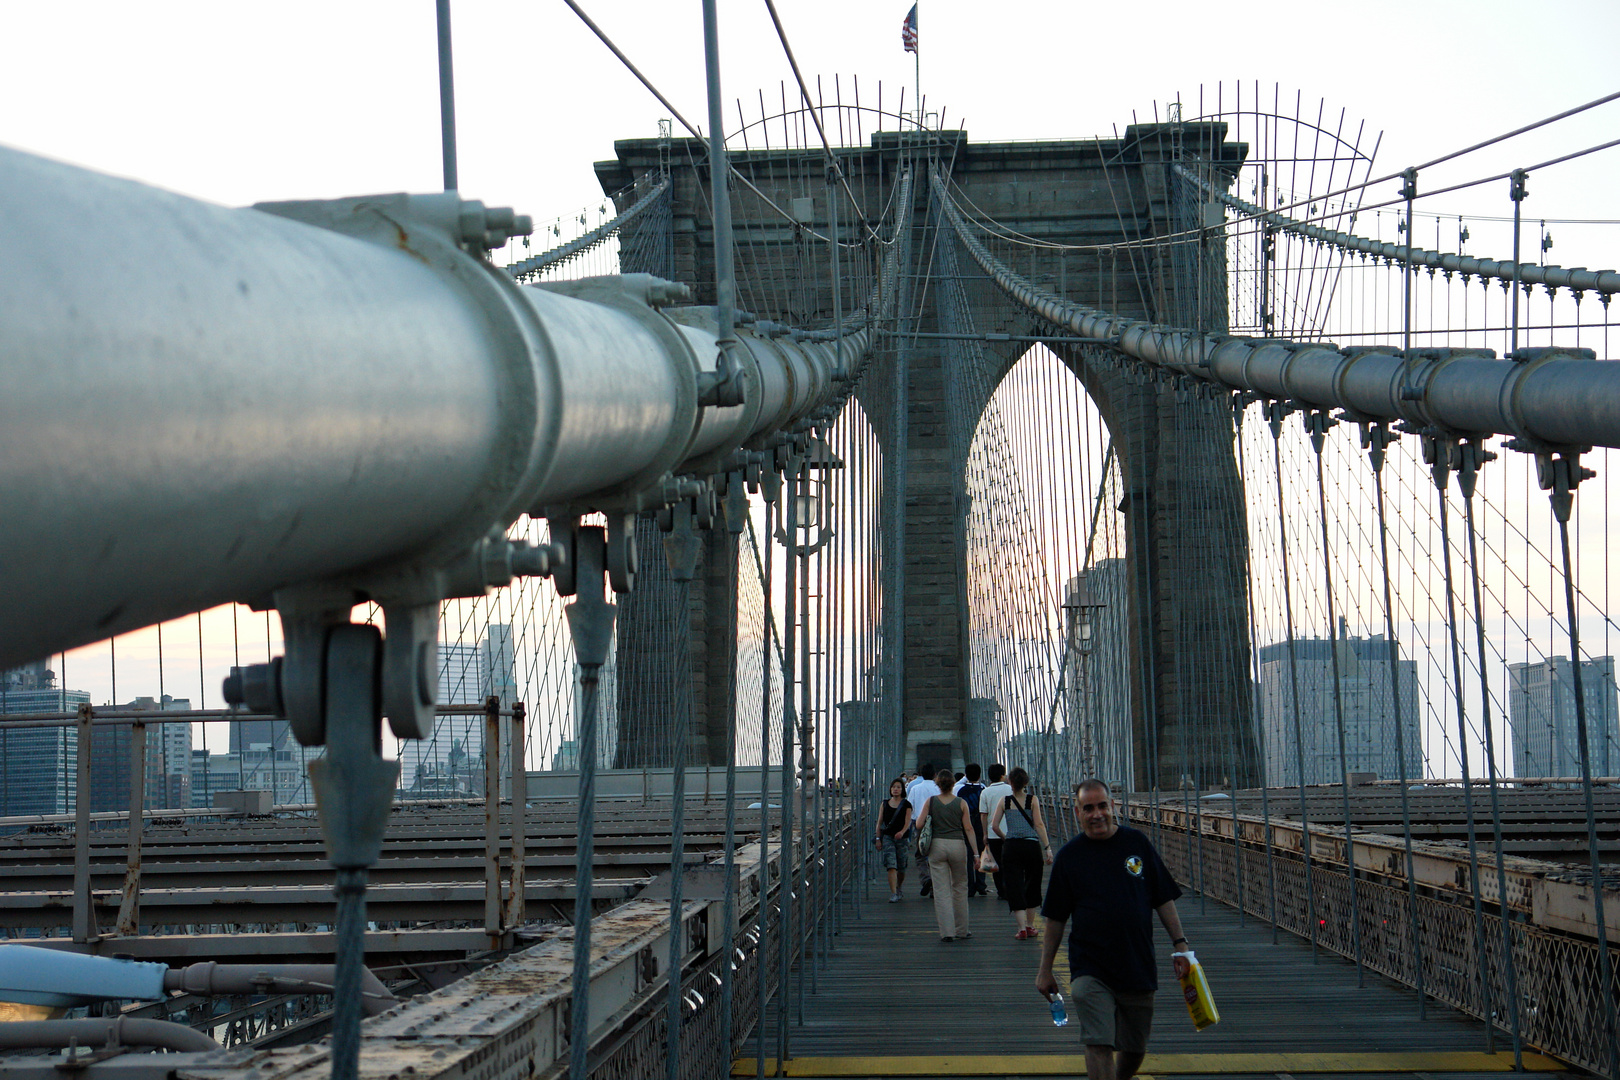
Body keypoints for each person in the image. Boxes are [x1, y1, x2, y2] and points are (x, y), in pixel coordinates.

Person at [1036, 778, 1190, 1080]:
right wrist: (1045, 969)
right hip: (1089, 966)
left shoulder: (1137, 843)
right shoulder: (1069, 857)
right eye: (1088, 808)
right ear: (1078, 812)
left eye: (1102, 806)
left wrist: (1181, 944)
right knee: (1098, 1041)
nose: (1097, 814)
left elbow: (1162, 897)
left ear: (1113, 806)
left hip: (1137, 963)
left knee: (1135, 1047)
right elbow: (1055, 918)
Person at [988, 766, 1054, 938]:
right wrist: (1047, 848)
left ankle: (1021, 929)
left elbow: (994, 826)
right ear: (1025, 782)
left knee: (1014, 886)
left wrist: (1006, 838)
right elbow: (1039, 825)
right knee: (1032, 884)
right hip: (1031, 846)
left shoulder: (1005, 801)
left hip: (1011, 847)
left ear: (1010, 782)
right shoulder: (1032, 800)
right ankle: (1031, 926)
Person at [917, 768, 979, 941]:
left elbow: (919, 824)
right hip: (958, 845)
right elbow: (968, 828)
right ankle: (962, 930)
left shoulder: (931, 801)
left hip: (937, 846)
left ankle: (947, 932)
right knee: (959, 887)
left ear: (937, 784)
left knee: (941, 890)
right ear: (953, 784)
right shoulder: (961, 802)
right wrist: (976, 854)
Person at [979, 763, 1014, 900]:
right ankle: (1011, 888)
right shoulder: (1010, 789)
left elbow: (983, 814)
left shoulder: (985, 792)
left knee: (996, 863)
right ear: (1002, 775)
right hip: (1011, 832)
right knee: (1010, 862)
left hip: (993, 833)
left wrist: (985, 834)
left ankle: (1001, 891)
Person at [875, 777, 912, 902]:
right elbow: (879, 822)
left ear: (902, 790)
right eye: (893, 787)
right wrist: (878, 838)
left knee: (901, 867)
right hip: (888, 838)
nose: (895, 789)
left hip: (902, 839)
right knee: (891, 865)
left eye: (898, 787)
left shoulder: (906, 804)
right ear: (890, 789)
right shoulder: (884, 804)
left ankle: (898, 886)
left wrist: (902, 832)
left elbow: (908, 822)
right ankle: (894, 893)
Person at [954, 763, 988, 896]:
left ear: (966, 775)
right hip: (980, 823)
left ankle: (969, 886)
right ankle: (981, 884)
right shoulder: (983, 789)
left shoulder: (960, 790)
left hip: (965, 823)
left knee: (968, 854)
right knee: (981, 852)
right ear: (979, 775)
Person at [905, 766, 939, 897]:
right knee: (935, 854)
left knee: (920, 854)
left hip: (920, 825)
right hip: (937, 825)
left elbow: (910, 807)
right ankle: (934, 886)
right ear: (935, 774)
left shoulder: (915, 788)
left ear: (920, 775)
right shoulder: (938, 789)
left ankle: (926, 879)